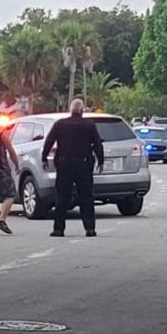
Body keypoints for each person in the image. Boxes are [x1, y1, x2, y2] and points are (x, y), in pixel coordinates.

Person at [41, 99, 104, 237]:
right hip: (84, 165)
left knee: (62, 197)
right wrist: (101, 160)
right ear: (82, 111)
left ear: (71, 110)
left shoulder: (60, 125)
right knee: (86, 197)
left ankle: (59, 229)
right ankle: (90, 228)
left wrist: (44, 157)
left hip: (64, 165)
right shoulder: (89, 126)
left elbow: (49, 141)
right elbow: (98, 144)